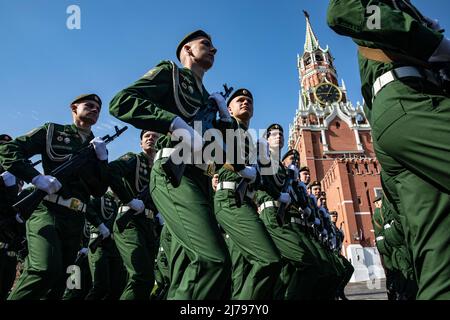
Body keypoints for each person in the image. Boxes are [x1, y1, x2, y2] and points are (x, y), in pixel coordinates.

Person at [327, 0, 450, 299]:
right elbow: (343, 10)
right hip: (410, 102)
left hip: (399, 111)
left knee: (442, 255)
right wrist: (429, 42)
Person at [109, 30, 231, 299]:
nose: (214, 50)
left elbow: (228, 150)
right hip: (175, 175)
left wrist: (224, 116)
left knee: (187, 265)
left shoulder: (208, 99)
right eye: (206, 45)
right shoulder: (172, 74)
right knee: (212, 260)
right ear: (187, 50)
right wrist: (174, 124)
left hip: (201, 180)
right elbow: (121, 102)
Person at [0, 93, 110, 300]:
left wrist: (103, 160)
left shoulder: (97, 146)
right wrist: (36, 178)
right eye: (89, 105)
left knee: (60, 281)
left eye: (98, 107)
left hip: (76, 219)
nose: (95, 109)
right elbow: (8, 149)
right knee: (44, 269)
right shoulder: (53, 132)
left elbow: (99, 190)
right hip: (47, 210)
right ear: (74, 108)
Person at [109, 130, 160, 300]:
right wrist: (129, 200)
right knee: (141, 276)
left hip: (150, 225)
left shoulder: (160, 168)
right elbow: (111, 172)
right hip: (130, 221)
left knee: (146, 278)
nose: (151, 139)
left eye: (155, 136)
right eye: (147, 137)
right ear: (140, 143)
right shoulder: (134, 159)